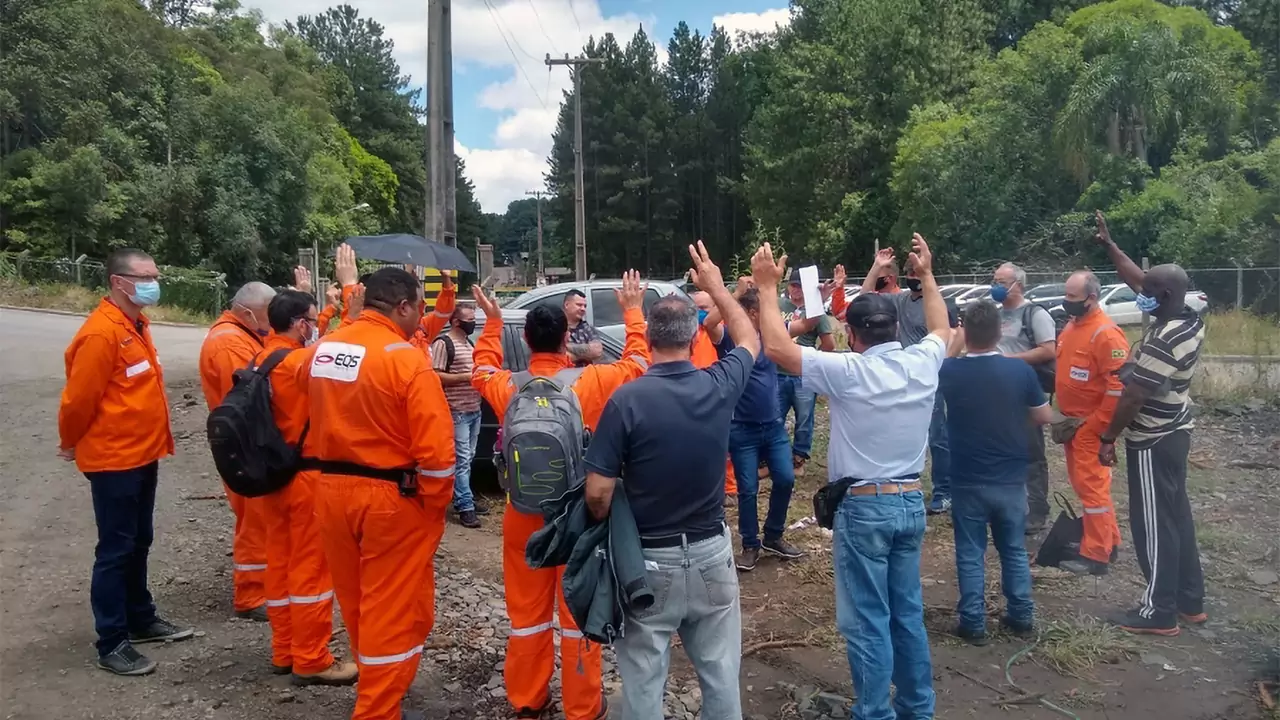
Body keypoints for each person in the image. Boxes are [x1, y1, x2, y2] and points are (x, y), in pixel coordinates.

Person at [756, 234, 948, 720]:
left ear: (852, 334)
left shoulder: (848, 372)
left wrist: (766, 287)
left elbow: (776, 347)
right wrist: (927, 276)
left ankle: (874, 713)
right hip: (910, 501)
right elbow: (941, 328)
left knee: (867, 620)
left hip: (864, 508)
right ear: (895, 328)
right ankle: (917, 709)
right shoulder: (922, 361)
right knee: (907, 615)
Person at [582, 242, 757, 720]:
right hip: (711, 553)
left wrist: (610, 521)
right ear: (693, 335)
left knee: (642, 682)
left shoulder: (627, 401)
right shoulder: (718, 384)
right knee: (721, 675)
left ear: (648, 337)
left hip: (647, 560)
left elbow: (597, 492)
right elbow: (749, 339)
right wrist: (717, 287)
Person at [470, 272, 651, 720]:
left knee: (526, 616)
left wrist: (492, 324)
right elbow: (638, 364)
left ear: (526, 340)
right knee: (577, 612)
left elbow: (480, 369)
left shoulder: (509, 386)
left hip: (522, 514)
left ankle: (528, 698)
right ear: (567, 338)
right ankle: (583, 706)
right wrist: (632, 312)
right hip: (576, 516)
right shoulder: (590, 382)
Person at [306, 268, 457, 720]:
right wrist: (433, 507)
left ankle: (377, 688)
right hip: (390, 499)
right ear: (403, 306)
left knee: (356, 601)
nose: (422, 316)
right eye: (420, 307)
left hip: (329, 491)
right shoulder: (407, 361)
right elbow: (438, 455)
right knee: (394, 609)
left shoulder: (325, 348)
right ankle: (378, 709)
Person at [59, 248, 193, 676]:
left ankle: (140, 617)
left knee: (139, 540)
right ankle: (112, 640)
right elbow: (78, 400)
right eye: (146, 277)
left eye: (155, 275)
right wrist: (69, 440)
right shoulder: (102, 333)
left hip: (142, 452)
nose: (154, 283)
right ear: (119, 282)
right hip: (114, 458)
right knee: (116, 549)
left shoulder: (135, 324)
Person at [1095, 212, 1206, 637]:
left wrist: (1109, 437)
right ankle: (1190, 601)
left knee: (1154, 524)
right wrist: (1111, 246)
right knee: (1177, 517)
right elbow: (1140, 278)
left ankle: (1159, 610)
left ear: (1165, 294)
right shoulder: (1187, 315)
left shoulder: (1165, 339)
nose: (1140, 293)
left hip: (1152, 438)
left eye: (1147, 292)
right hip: (1176, 429)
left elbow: (1134, 397)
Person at [253, 290, 359, 685]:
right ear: (300, 324)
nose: (315, 327)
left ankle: (284, 649)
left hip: (273, 477)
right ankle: (312, 658)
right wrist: (351, 305)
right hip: (306, 477)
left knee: (279, 563)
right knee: (311, 572)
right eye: (313, 320)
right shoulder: (298, 362)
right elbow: (343, 352)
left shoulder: (261, 358)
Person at [939, 300, 1053, 645]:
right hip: (1010, 475)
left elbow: (941, 361)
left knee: (970, 551)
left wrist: (956, 339)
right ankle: (1021, 615)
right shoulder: (1019, 371)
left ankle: (973, 622)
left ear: (966, 332)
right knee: (1013, 549)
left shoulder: (950, 371)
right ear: (1000, 331)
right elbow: (1044, 416)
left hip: (967, 476)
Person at [199, 279, 281, 621]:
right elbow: (252, 396)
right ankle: (251, 594)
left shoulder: (241, 335)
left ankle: (263, 584)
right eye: (268, 315)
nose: (271, 323)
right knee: (255, 519)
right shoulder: (230, 344)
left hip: (247, 439)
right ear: (247, 312)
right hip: (245, 442)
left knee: (261, 517)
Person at [862, 249, 959, 514]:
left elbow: (955, 333)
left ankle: (943, 491)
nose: (913, 277)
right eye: (909, 272)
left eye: (917, 272)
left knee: (937, 436)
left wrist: (943, 362)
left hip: (929, 376)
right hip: (901, 375)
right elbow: (865, 299)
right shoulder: (900, 300)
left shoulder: (936, 302)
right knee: (898, 429)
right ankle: (899, 483)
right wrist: (876, 267)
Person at [719, 286, 804, 572]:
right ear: (752, 312)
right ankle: (750, 545)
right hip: (742, 429)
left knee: (786, 478)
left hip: (773, 426)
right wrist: (732, 295)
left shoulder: (771, 334)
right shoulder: (730, 337)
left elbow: (808, 324)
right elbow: (709, 324)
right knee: (747, 489)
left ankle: (773, 535)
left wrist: (817, 293)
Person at [1054, 270, 1128, 576]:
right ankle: (1109, 541)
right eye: (1066, 294)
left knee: (1092, 490)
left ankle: (1096, 555)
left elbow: (1119, 387)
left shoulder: (1106, 335)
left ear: (1092, 298)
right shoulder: (1072, 327)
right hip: (1071, 424)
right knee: (1088, 487)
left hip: (1090, 427)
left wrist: (1098, 425)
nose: (1066, 301)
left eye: (1072, 296)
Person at [992, 261, 1056, 533]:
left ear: (1018, 285)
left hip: (1026, 392)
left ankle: (1037, 511)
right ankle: (1008, 505)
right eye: (994, 281)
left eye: (1001, 282)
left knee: (1031, 452)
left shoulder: (1034, 314)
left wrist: (1010, 360)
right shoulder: (996, 314)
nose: (995, 286)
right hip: (998, 392)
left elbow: (1048, 350)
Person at [430, 302, 486, 529]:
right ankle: (465, 506)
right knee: (462, 459)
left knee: (468, 457)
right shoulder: (444, 343)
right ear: (456, 321)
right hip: (456, 411)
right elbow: (435, 376)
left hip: (474, 409)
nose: (473, 323)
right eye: (469, 320)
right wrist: (466, 377)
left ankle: (465, 496)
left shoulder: (468, 343)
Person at [777, 267, 837, 477]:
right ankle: (775, 455)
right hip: (777, 371)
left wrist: (813, 361)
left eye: (800, 286)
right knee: (775, 416)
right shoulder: (778, 305)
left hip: (803, 374)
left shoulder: (815, 310)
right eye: (793, 285)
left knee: (804, 419)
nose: (796, 290)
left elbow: (829, 343)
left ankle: (798, 459)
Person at [691, 289, 737, 503]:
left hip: (716, 391)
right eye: (694, 308)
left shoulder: (720, 330)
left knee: (722, 442)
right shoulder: (688, 331)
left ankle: (729, 488)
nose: (698, 312)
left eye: (703, 308)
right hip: (691, 391)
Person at [564, 288, 602, 366]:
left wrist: (566, 346)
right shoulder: (556, 327)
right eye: (579, 305)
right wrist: (586, 355)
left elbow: (597, 352)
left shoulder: (588, 329)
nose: (583, 309)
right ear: (567, 305)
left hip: (585, 373)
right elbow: (553, 356)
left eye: (585, 306)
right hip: (562, 373)